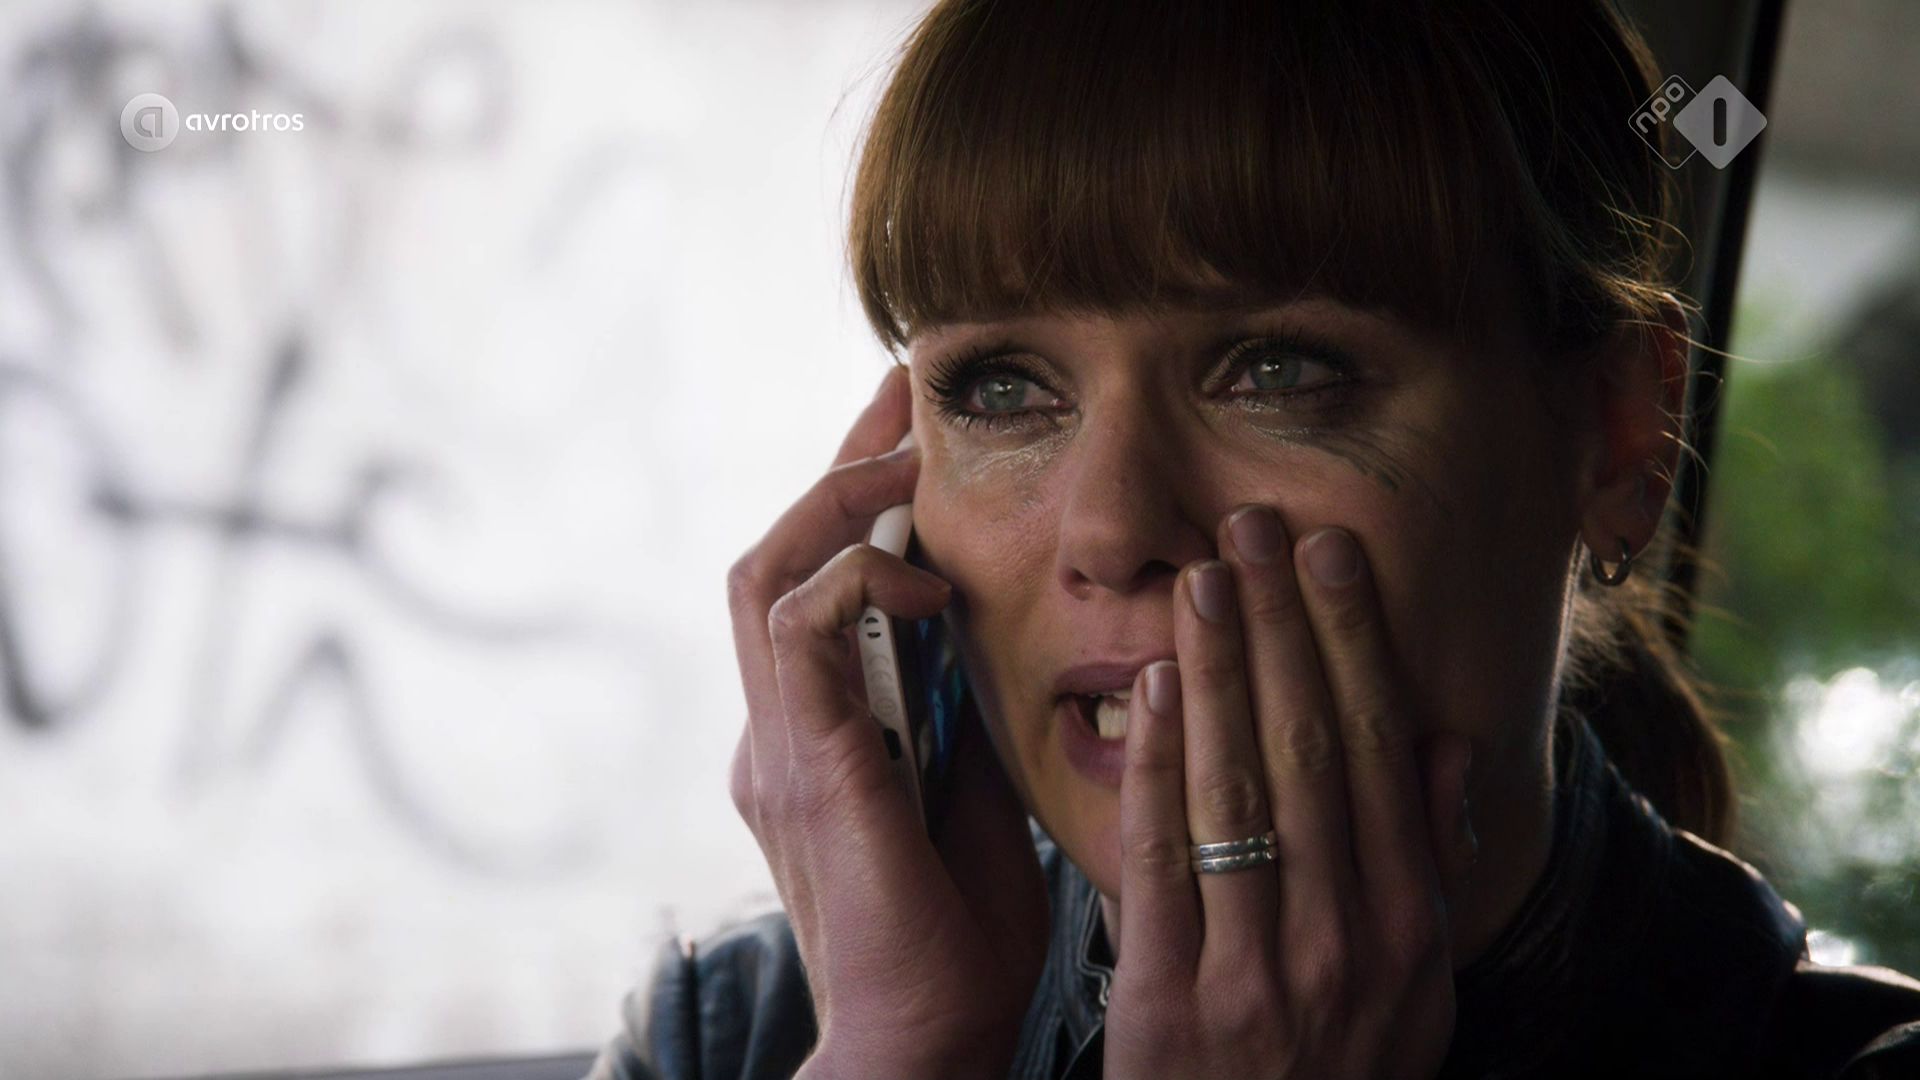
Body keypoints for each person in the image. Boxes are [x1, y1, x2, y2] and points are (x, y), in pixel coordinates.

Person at [589, 2, 1920, 1077]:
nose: (1114, 527)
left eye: (1280, 371)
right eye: (1002, 390)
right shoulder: (743, 1039)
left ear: (1619, 438)